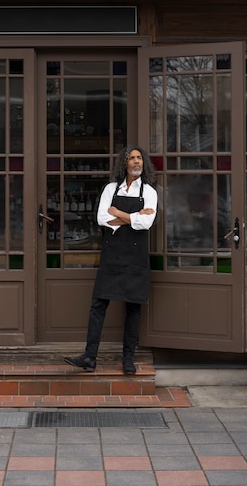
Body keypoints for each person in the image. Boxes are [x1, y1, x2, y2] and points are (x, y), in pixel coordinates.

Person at [65, 146, 157, 375]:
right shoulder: (110, 188)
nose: (136, 162)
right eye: (132, 158)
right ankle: (89, 356)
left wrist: (118, 212)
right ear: (124, 164)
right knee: (98, 305)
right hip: (112, 256)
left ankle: (128, 359)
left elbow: (146, 223)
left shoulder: (150, 192)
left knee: (133, 308)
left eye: (139, 158)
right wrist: (132, 218)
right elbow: (102, 218)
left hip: (135, 258)